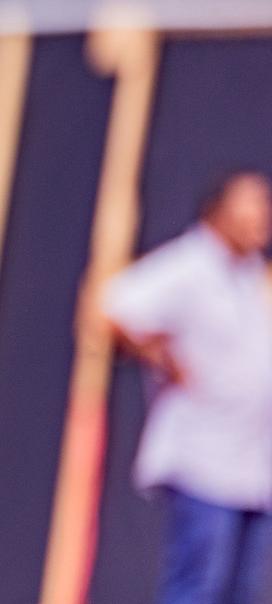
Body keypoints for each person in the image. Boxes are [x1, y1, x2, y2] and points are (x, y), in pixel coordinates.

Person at [105, 170, 272, 604]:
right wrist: (160, 355)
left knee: (242, 593)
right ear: (217, 213)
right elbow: (111, 307)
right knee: (199, 587)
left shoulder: (252, 275)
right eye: (250, 206)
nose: (262, 218)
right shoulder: (188, 264)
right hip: (205, 461)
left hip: (254, 465)